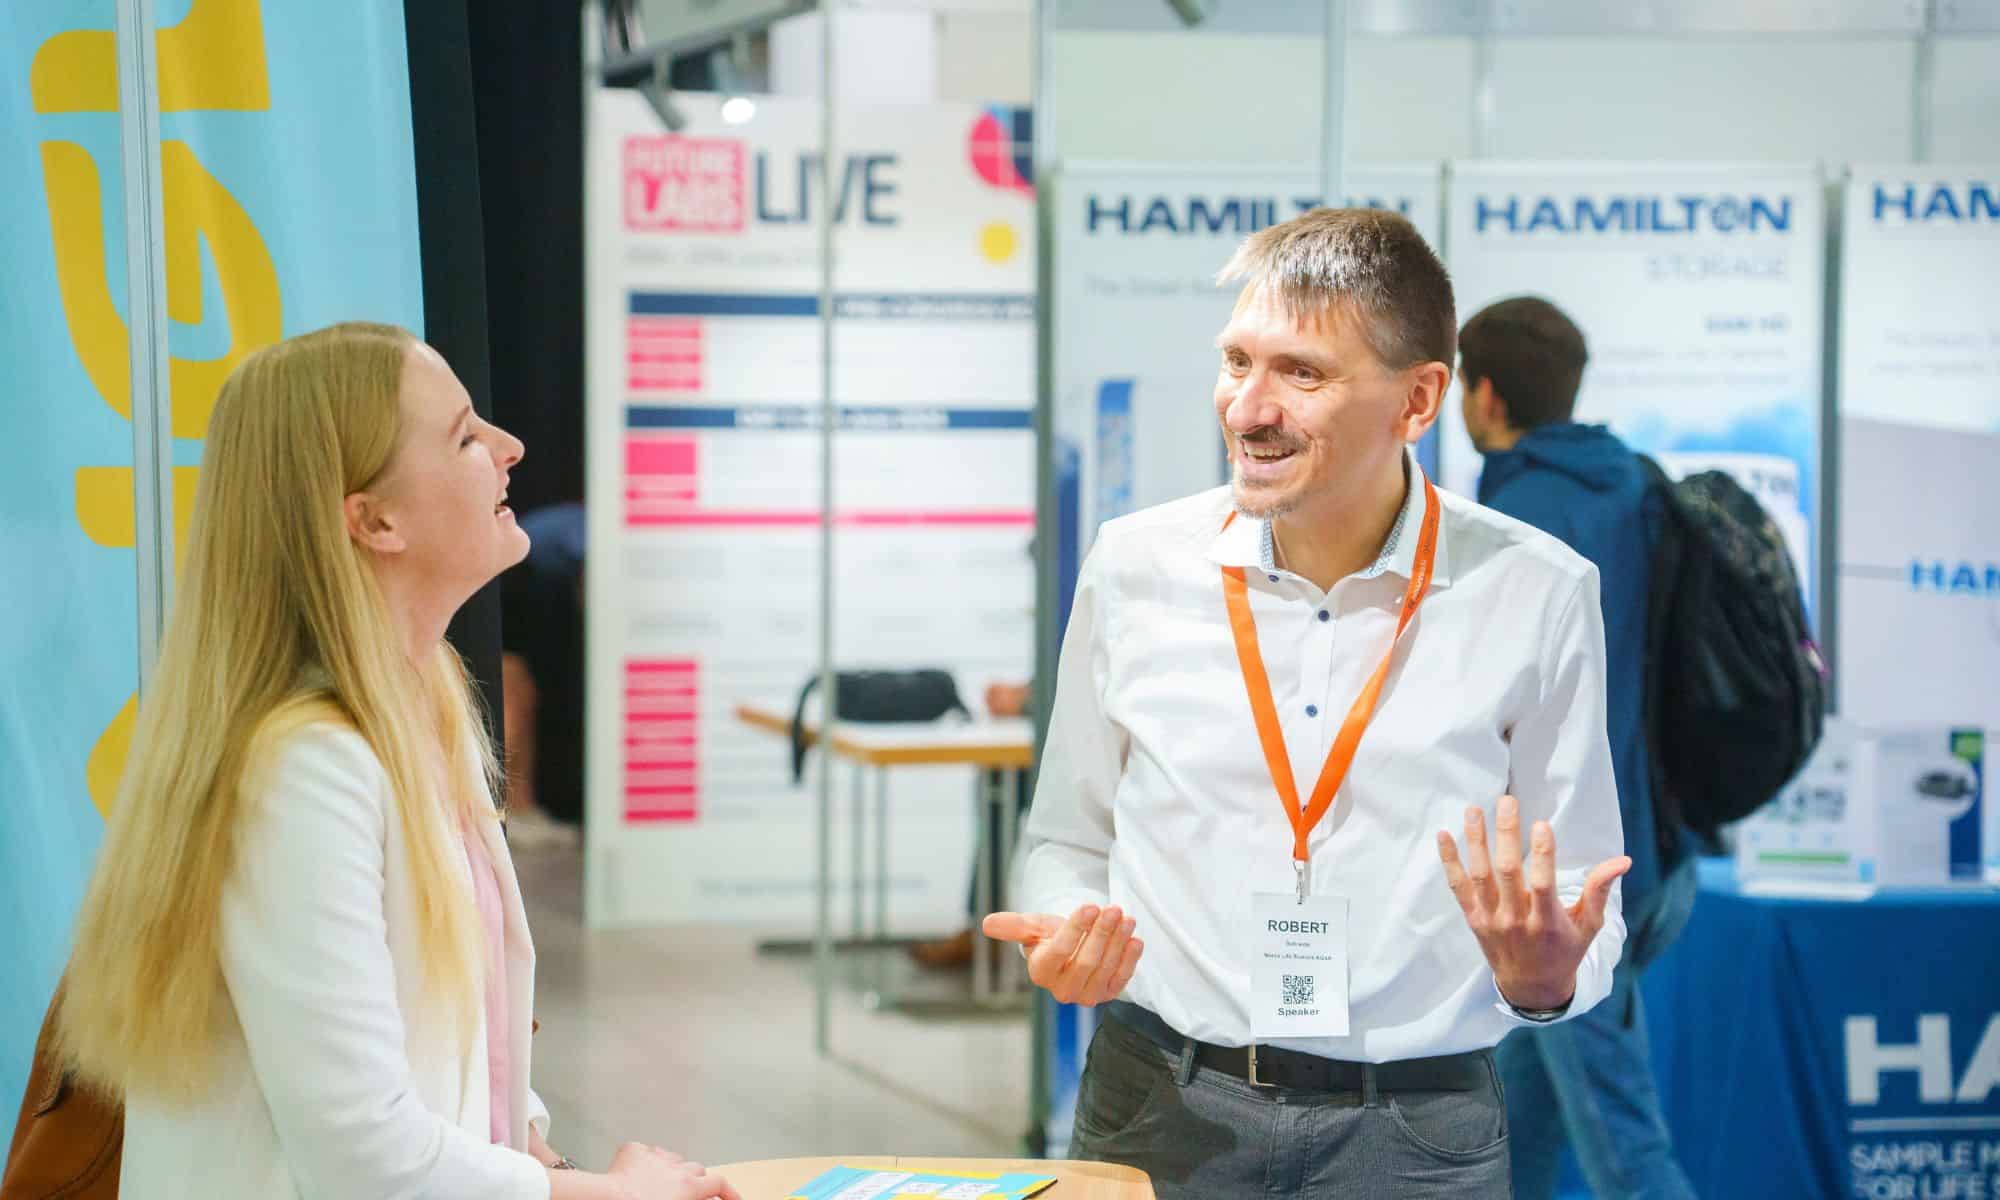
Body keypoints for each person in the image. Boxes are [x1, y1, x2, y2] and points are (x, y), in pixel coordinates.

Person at [983, 208, 1631, 1198]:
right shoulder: (1134, 566)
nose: (1248, 409)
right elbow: (1066, 840)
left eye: (1301, 373)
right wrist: (1071, 925)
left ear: (1419, 400)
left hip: (1415, 1133)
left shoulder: (1535, 591)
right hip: (1159, 1105)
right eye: (1236, 361)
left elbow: (1583, 888)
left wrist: (1545, 980)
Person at [53, 323, 737, 1200]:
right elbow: (363, 1155)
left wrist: (555, 1165)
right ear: (373, 520)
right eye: (464, 436)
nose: (509, 447)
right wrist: (617, 1195)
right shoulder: (303, 768)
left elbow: (459, 1048)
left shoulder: (422, 709)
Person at [1460, 296, 1699, 1200]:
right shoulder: (1636, 487)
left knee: (1625, 1151)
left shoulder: (1515, 520)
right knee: (1517, 1127)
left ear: (1483, 395)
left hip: (1567, 884)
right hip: (1659, 849)